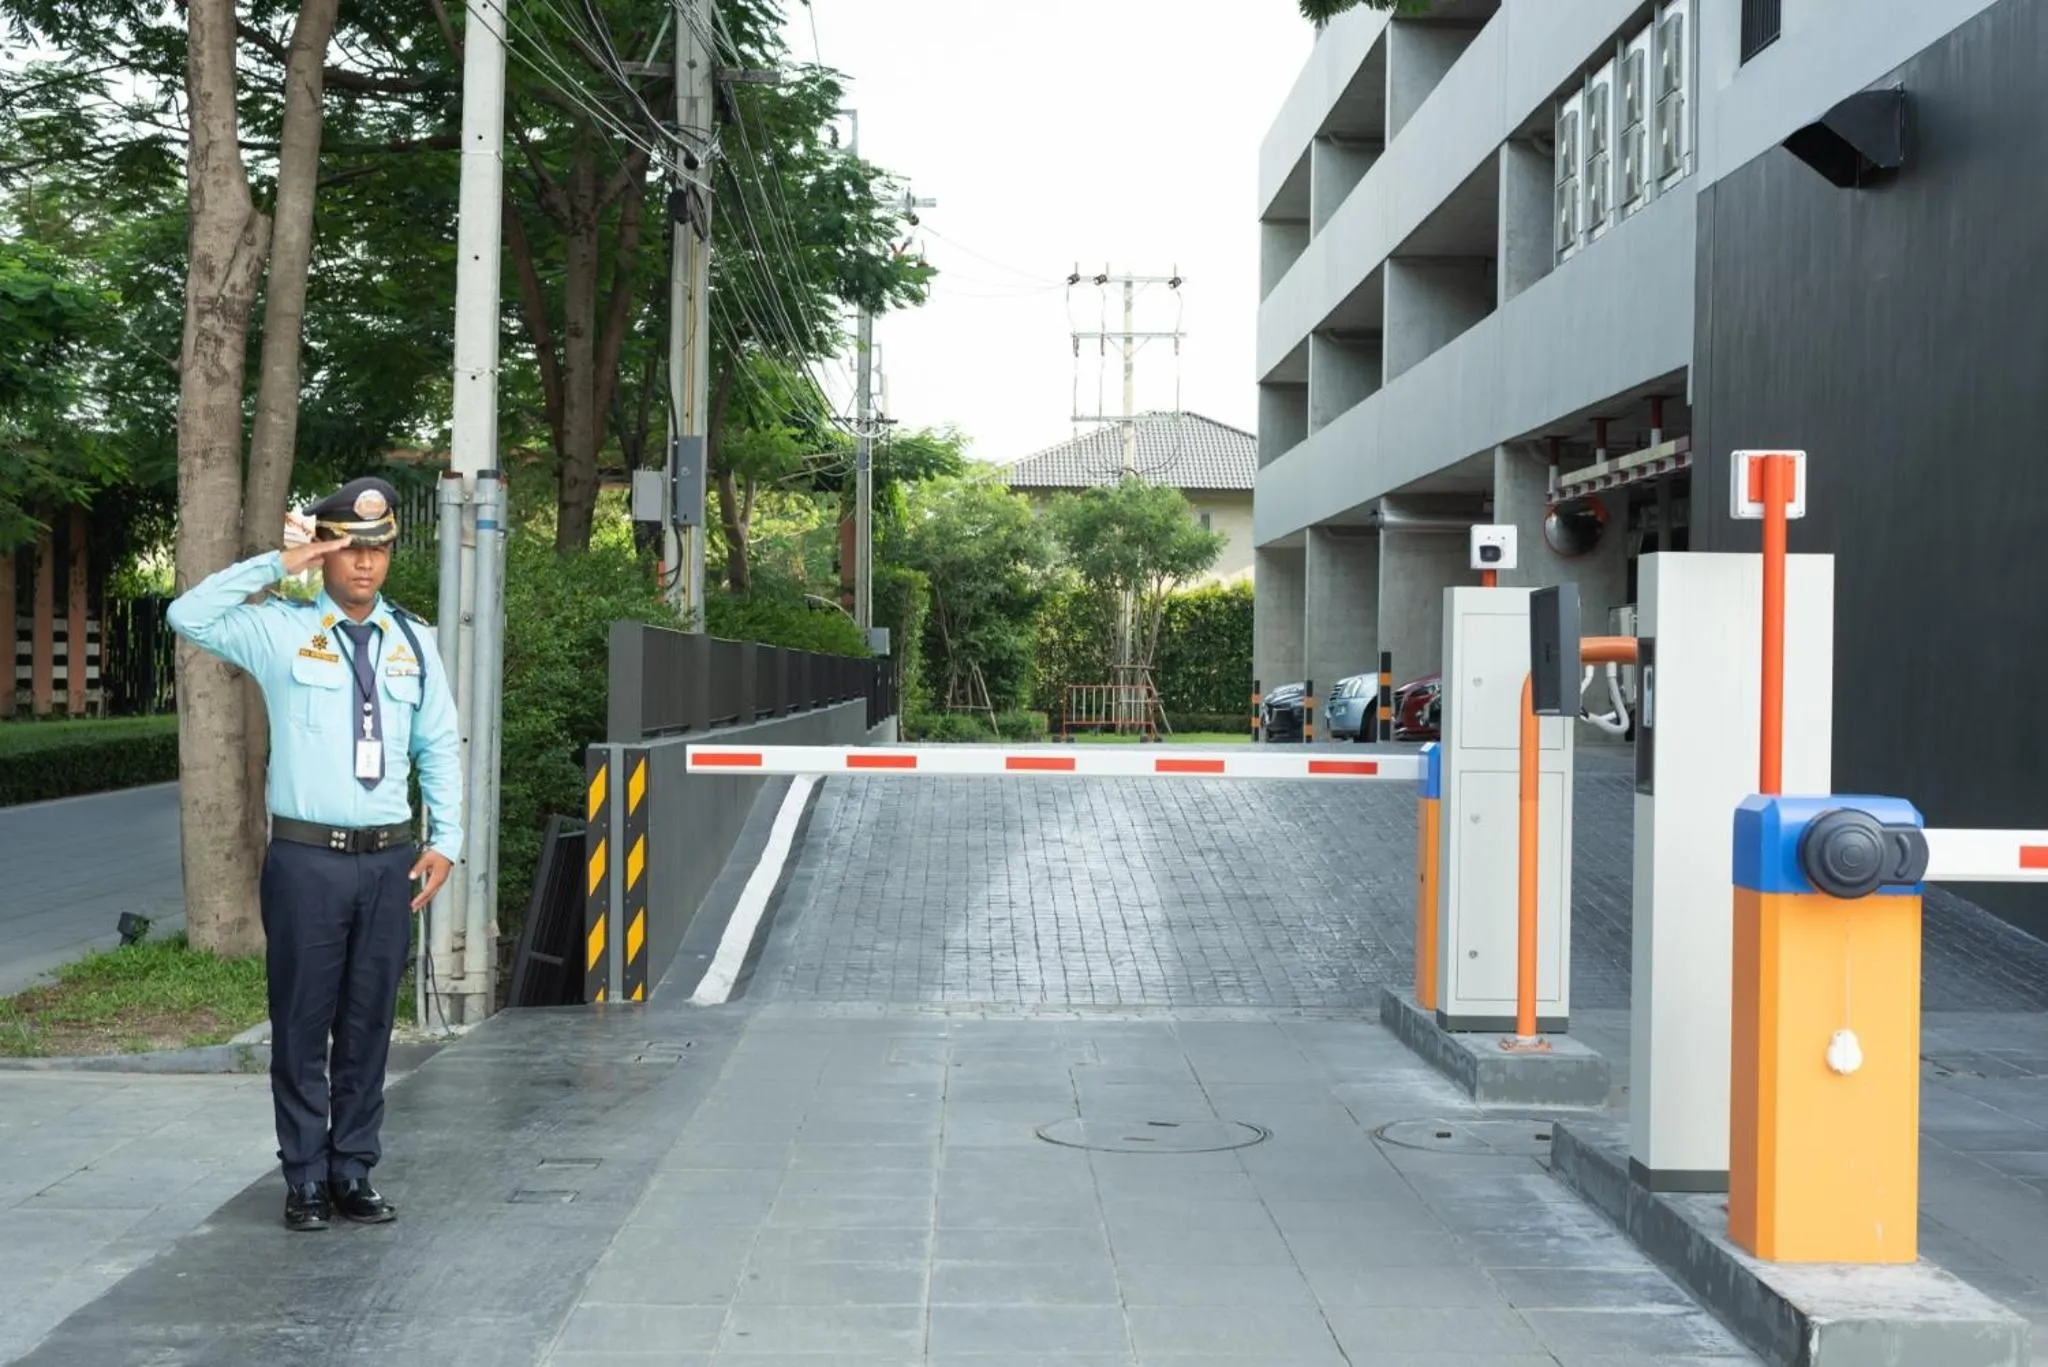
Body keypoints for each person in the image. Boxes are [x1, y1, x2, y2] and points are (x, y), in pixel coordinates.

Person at [167, 476, 462, 1232]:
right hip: (306, 863)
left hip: (386, 860)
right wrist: (280, 563)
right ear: (328, 550)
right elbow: (188, 612)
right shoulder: (278, 629)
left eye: (379, 548)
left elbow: (438, 748)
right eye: (351, 548)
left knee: (368, 1023)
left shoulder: (415, 642)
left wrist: (447, 840)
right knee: (301, 1022)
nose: (365, 564)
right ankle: (303, 1177)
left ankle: (351, 1171)